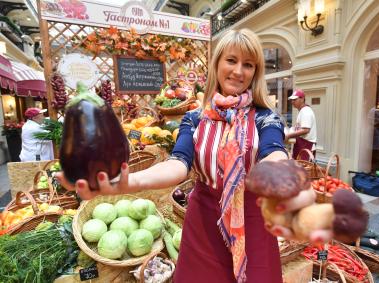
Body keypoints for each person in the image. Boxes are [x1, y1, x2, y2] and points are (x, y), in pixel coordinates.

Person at [58, 29, 331, 283]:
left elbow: (273, 152)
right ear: (217, 64)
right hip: (204, 224)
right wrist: (126, 183)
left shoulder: (265, 117)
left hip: (254, 224)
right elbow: (178, 164)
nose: (238, 71)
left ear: (255, 72)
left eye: (248, 65)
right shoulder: (194, 118)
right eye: (232, 60)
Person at [285, 89, 317, 160]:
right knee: (298, 167)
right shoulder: (302, 111)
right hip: (301, 144)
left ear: (302, 99)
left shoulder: (306, 111)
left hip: (306, 144)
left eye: (295, 99)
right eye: (291, 100)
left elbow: (305, 130)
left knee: (303, 168)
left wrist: (288, 135)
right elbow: (300, 127)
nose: (292, 102)